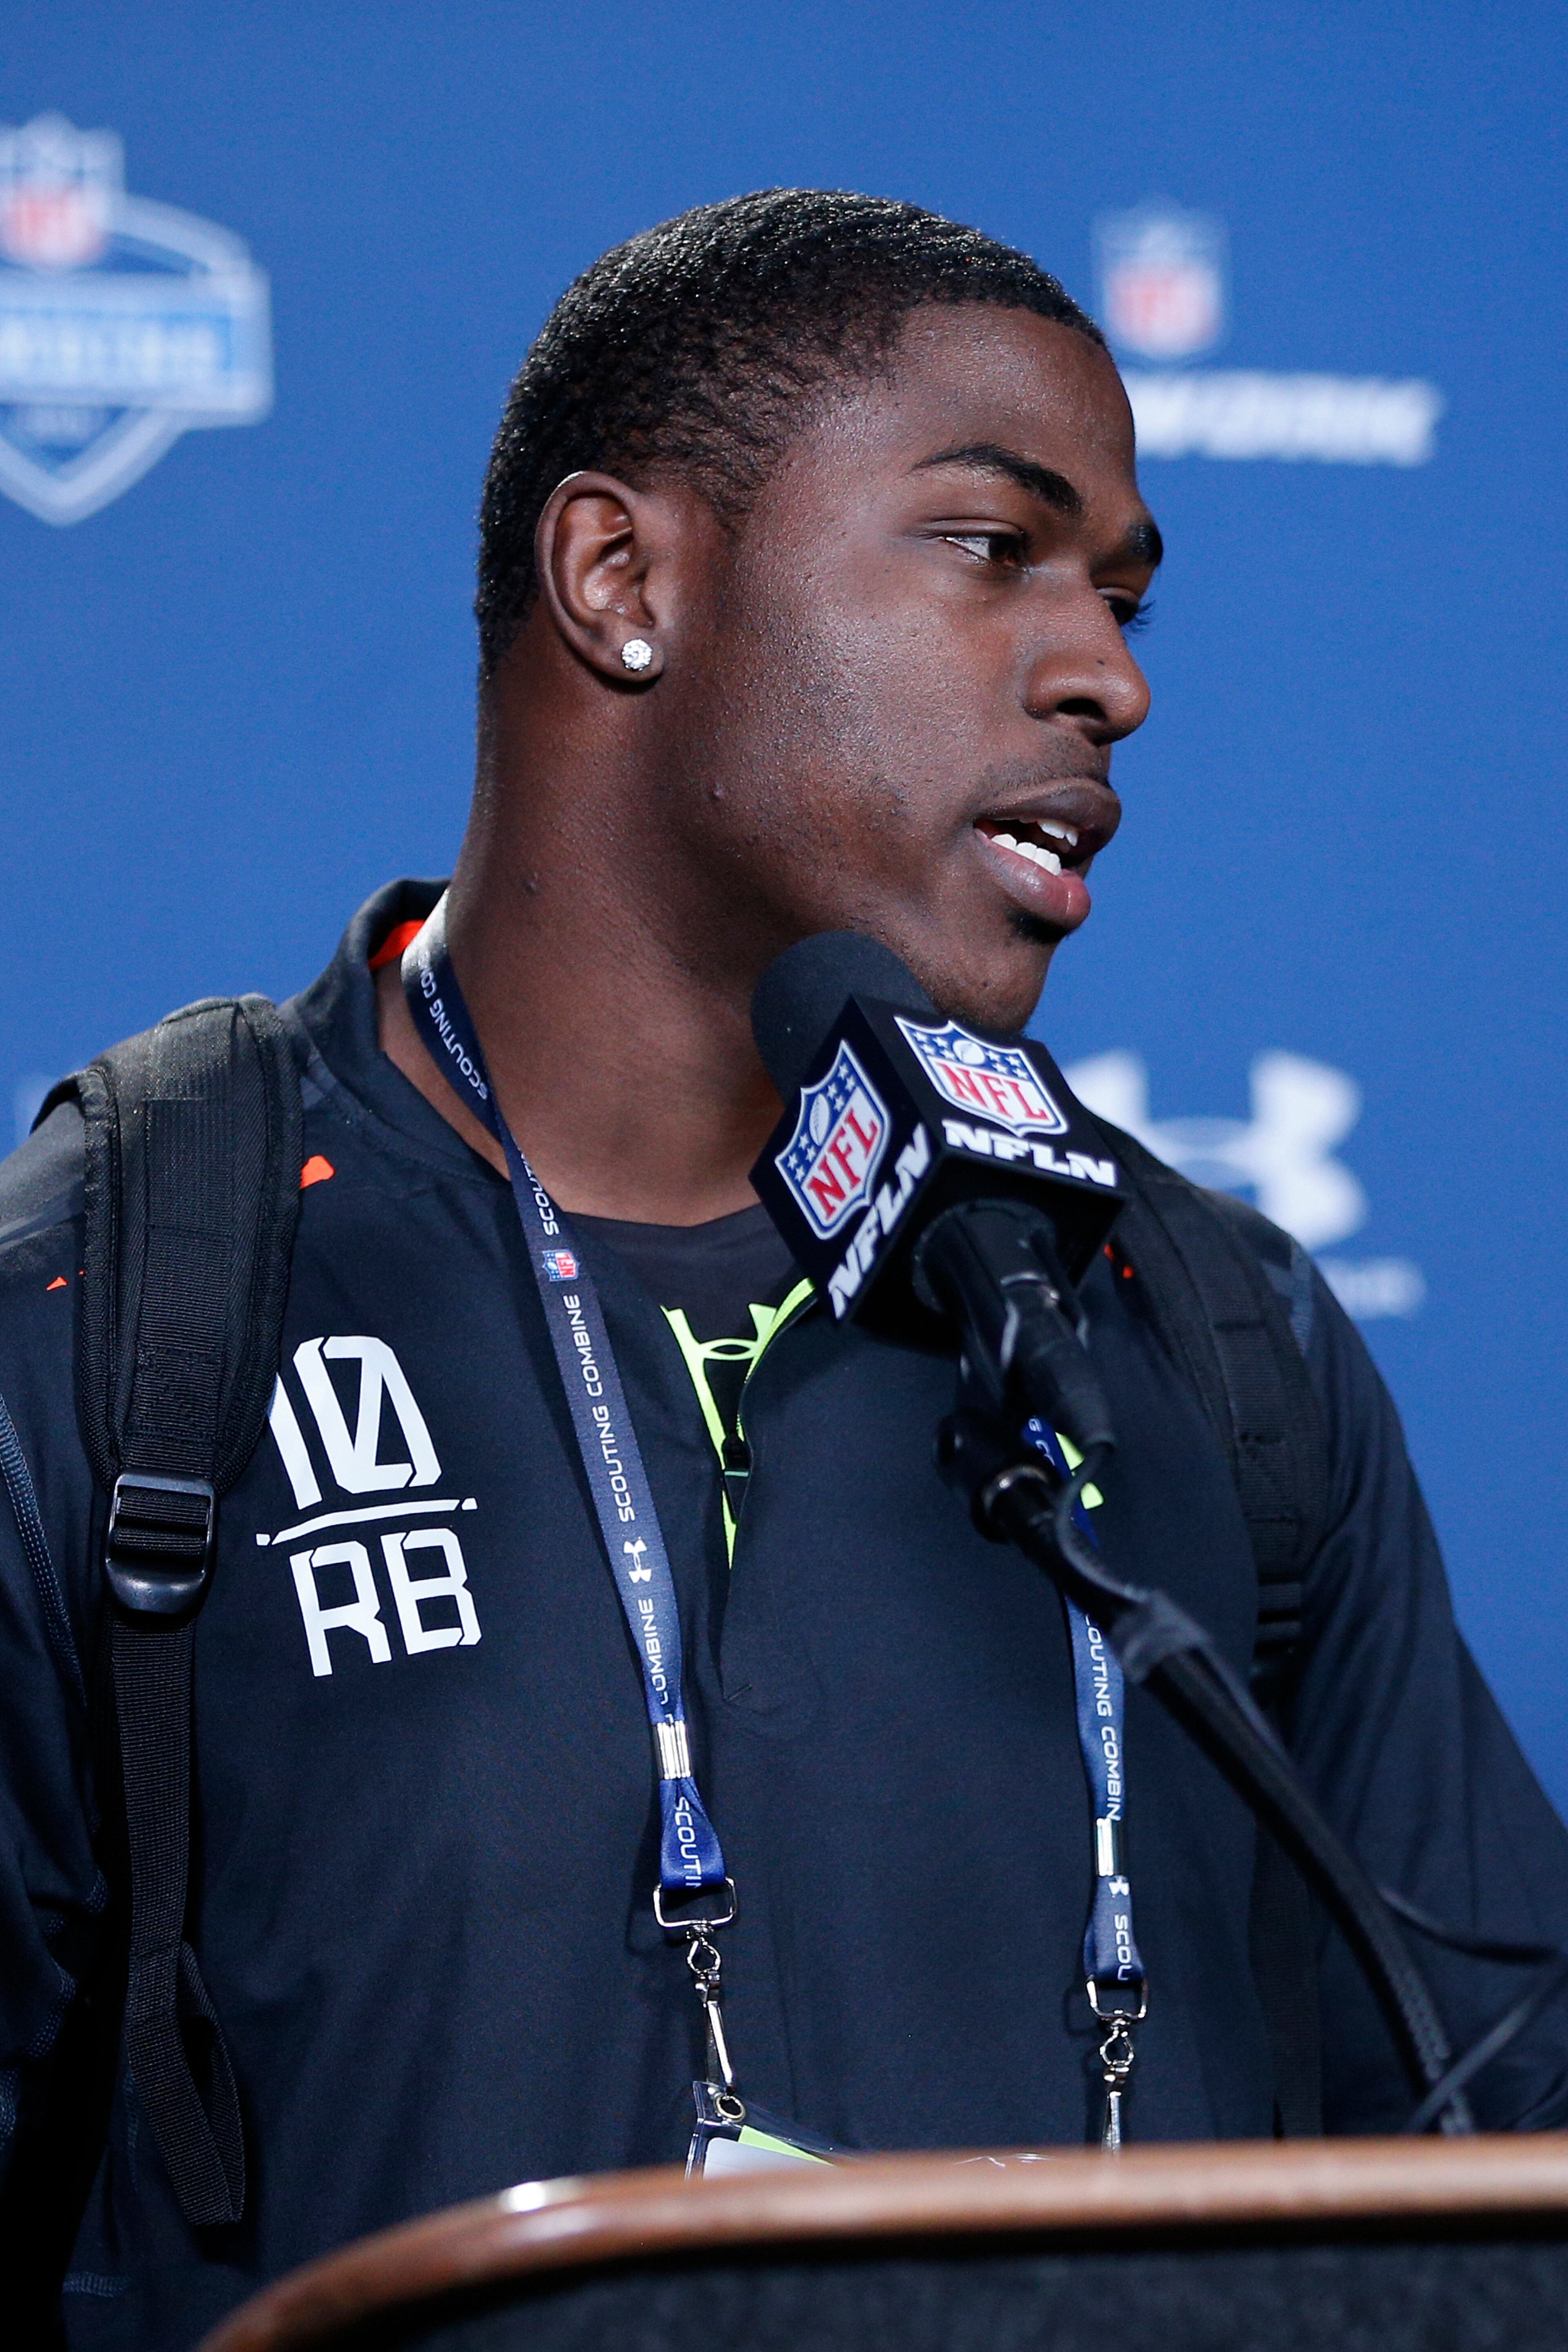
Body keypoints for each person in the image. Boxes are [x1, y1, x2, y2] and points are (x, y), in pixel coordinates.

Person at [4, 189, 1567, 2351]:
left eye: (1118, 593)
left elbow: (1501, 2187)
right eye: (996, 548)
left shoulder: (1206, 1329)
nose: (1106, 671)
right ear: (625, 581)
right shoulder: (114, 1311)